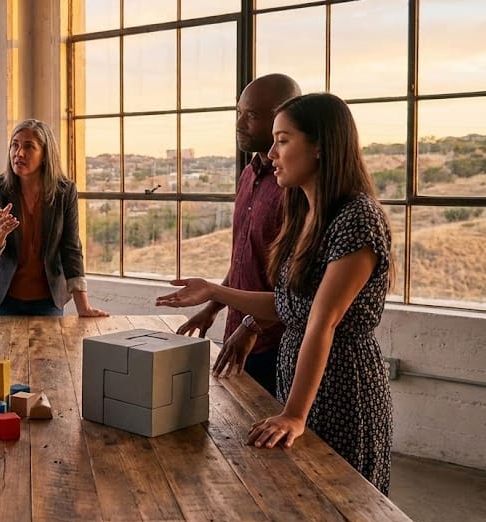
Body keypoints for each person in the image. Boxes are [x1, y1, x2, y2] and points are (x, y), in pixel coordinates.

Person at [156, 93, 394, 494]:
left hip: (341, 391)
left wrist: (294, 416)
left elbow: (323, 321)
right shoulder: (305, 213)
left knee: (339, 504)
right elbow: (289, 306)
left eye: (282, 140)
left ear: (321, 145)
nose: (270, 152)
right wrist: (215, 291)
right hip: (301, 385)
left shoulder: (358, 218)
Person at [176, 74, 301, 396]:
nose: (240, 123)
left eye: (253, 116)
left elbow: (300, 286)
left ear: (282, 120)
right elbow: (248, 256)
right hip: (240, 333)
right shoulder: (250, 174)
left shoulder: (296, 188)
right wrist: (213, 306)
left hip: (276, 342)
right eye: (238, 112)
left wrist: (252, 326)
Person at [0, 119, 107, 317]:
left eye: (29, 146)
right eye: (15, 144)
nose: (19, 153)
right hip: (1, 300)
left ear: (45, 155)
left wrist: (83, 307)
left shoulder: (65, 191)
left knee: (48, 349)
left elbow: (71, 249)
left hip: (47, 301)